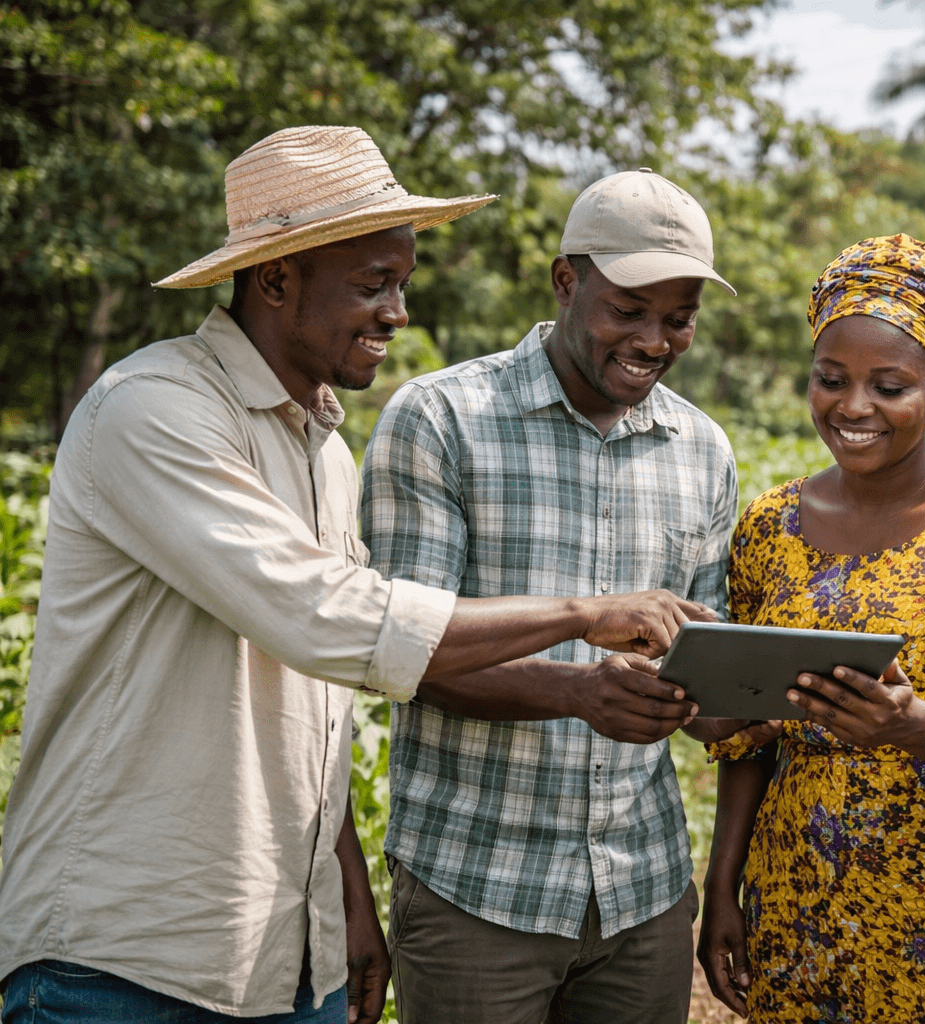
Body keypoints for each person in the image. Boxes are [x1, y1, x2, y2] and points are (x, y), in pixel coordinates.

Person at [0, 127, 713, 1024]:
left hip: (282, 949)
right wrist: (586, 614)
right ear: (275, 279)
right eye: (373, 285)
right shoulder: (155, 411)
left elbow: (319, 700)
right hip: (124, 958)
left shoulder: (323, 451)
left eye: (401, 285)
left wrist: (341, 897)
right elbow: (330, 620)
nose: (397, 313)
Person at [359, 167, 750, 1024]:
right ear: (566, 283)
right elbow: (403, 650)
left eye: (678, 318)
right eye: (629, 309)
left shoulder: (702, 448)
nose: (655, 338)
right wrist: (580, 694)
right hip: (478, 887)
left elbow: (710, 676)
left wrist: (771, 686)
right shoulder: (440, 419)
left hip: (641, 889)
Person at [697, 235, 925, 1022]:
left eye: (888, 386)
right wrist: (721, 886)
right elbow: (748, 739)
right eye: (831, 380)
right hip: (795, 895)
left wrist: (909, 722)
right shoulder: (769, 527)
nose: (852, 407)